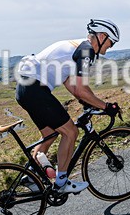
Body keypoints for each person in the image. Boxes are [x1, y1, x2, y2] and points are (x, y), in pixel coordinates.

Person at [15, 19, 121, 194]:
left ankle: (30, 175)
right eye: (112, 42)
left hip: (26, 89)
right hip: (35, 89)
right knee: (71, 132)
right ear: (102, 36)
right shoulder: (86, 50)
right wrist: (106, 106)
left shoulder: (78, 46)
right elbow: (80, 89)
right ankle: (61, 183)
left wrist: (86, 101)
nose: (111, 47)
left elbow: (70, 83)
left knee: (49, 135)